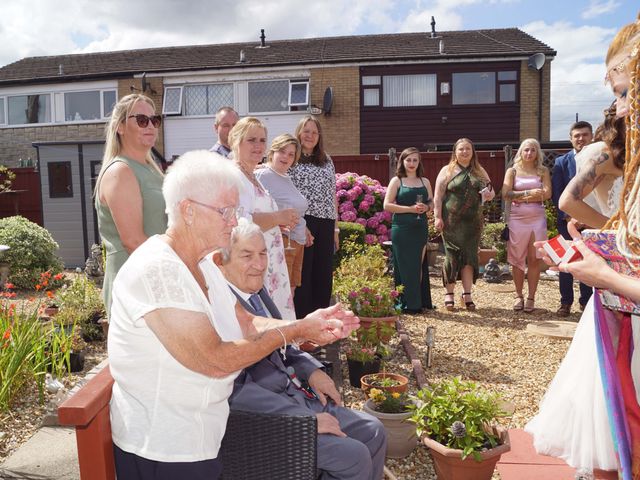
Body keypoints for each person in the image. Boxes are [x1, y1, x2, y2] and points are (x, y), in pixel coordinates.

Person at [108, 151, 358, 480]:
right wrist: (290, 333)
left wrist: (307, 326)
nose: (234, 220)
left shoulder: (202, 263)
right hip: (164, 449)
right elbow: (214, 359)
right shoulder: (160, 270)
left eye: (236, 210)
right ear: (188, 211)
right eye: (226, 210)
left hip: (201, 438)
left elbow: (246, 321)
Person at [527, 15, 640, 477]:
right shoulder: (615, 156)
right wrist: (607, 242)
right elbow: (570, 200)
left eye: (627, 92)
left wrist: (607, 264)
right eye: (619, 96)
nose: (623, 106)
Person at [214, 221, 387, 480]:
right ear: (221, 262)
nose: (260, 264)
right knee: (353, 457)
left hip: (297, 396)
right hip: (263, 420)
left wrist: (312, 369)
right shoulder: (219, 308)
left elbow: (281, 346)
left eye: (263, 254)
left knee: (374, 430)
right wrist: (303, 419)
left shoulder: (258, 294)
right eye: (247, 255)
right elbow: (232, 389)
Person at [525, 105, 626, 475]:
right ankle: (608, 459)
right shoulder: (605, 154)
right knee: (609, 372)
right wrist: (618, 232)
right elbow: (568, 201)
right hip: (619, 267)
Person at [94, 93, 168, 316]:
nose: (151, 126)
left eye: (154, 120)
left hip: (157, 278)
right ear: (120, 127)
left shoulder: (152, 170)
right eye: (142, 120)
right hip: (135, 284)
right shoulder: (120, 171)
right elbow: (133, 241)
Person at [228, 117, 298, 320]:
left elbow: (261, 218)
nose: (258, 146)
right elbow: (240, 222)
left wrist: (278, 225)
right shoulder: (234, 177)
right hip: (254, 262)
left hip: (270, 259)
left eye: (262, 140)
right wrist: (278, 216)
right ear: (236, 141)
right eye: (251, 140)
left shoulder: (253, 176)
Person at [433, 138, 495, 311]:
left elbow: (492, 191)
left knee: (469, 256)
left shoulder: (479, 170)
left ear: (473, 151)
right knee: (451, 256)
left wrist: (489, 194)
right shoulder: (447, 170)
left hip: (472, 222)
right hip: (451, 221)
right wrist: (437, 217)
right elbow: (438, 196)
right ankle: (449, 293)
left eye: (468, 149)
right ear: (455, 152)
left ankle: (467, 294)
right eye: (461, 149)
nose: (465, 152)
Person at [290, 116, 339, 318]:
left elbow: (332, 193)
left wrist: (335, 228)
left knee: (323, 273)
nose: (310, 135)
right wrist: (300, 224)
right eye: (306, 131)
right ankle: (303, 323)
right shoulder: (291, 158)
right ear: (299, 133)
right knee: (303, 274)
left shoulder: (327, 160)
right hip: (303, 222)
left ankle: (321, 322)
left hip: (326, 222)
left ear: (319, 136)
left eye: (314, 132)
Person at [501, 139, 551, 313]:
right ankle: (518, 295)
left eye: (533, 150)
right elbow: (506, 194)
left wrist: (519, 197)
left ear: (537, 153)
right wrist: (529, 193)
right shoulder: (512, 171)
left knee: (534, 258)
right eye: (526, 150)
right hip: (517, 218)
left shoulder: (542, 171)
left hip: (537, 218)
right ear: (520, 152)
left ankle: (531, 297)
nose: (529, 153)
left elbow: (547, 194)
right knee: (517, 258)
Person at [383, 147, 434, 313]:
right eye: (408, 160)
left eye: (415, 160)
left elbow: (432, 203)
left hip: (420, 228)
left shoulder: (425, 181)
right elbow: (387, 205)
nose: (412, 163)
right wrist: (410, 209)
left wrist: (427, 207)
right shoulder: (397, 181)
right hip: (402, 228)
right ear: (402, 162)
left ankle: (416, 302)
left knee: (417, 265)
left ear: (419, 162)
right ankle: (406, 303)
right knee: (404, 265)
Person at [551, 121, 594, 316]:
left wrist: (588, 218)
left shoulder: (599, 161)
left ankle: (586, 302)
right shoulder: (561, 162)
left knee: (589, 260)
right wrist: (570, 217)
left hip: (593, 222)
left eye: (584, 135)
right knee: (566, 262)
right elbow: (557, 193)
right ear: (571, 138)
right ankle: (565, 302)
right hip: (567, 221)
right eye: (577, 135)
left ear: (591, 137)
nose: (581, 139)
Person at [256, 134, 308, 294]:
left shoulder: (286, 177)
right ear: (273, 152)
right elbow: (255, 207)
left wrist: (305, 229)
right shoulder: (262, 175)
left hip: (298, 242)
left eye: (291, 154)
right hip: (282, 241)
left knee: (290, 294)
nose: (286, 157)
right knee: (281, 294)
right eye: (282, 151)